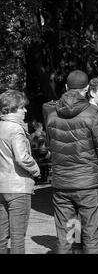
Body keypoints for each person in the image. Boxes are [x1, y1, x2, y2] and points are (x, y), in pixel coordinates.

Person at [43, 70, 98, 254]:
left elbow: (50, 146)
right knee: (91, 234)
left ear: (66, 87)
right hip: (88, 183)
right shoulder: (93, 113)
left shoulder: (52, 114)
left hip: (62, 183)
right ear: (87, 89)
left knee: (67, 234)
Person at [0, 90, 41, 254]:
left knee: (1, 236)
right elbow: (22, 158)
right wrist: (36, 169)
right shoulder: (16, 129)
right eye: (22, 107)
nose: (25, 111)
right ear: (12, 108)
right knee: (18, 236)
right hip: (18, 187)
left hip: (2, 187)